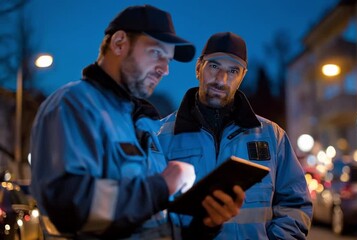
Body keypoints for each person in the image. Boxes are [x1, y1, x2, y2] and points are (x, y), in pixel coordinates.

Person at [30, 6, 244, 239]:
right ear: (119, 43)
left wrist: (205, 225)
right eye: (156, 53)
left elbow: (150, 224)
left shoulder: (141, 123)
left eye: (169, 60)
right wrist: (162, 186)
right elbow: (67, 205)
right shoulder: (74, 105)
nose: (165, 69)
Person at [158, 32, 313, 239]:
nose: (221, 80)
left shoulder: (272, 136)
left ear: (242, 77)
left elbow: (295, 203)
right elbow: (148, 214)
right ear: (198, 68)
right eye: (214, 66)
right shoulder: (160, 137)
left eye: (233, 70)